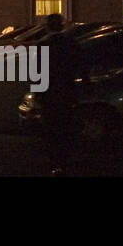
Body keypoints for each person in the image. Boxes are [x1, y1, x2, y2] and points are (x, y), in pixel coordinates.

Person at [38, 13, 81, 175]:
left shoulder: (43, 44)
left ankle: (55, 161)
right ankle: (65, 160)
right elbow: (80, 66)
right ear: (62, 26)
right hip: (67, 90)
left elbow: (37, 71)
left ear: (48, 26)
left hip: (49, 92)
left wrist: (37, 92)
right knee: (66, 126)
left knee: (51, 128)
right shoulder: (71, 43)